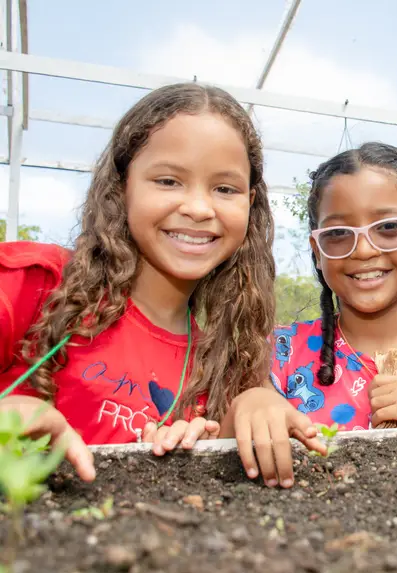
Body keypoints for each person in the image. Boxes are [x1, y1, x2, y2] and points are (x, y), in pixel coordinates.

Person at [0, 83, 276, 478]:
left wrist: (194, 461)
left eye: (224, 189)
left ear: (248, 203)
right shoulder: (33, 282)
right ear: (121, 186)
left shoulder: (224, 366)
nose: (199, 208)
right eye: (168, 181)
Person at [222, 142, 397, 488]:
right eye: (338, 234)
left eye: (388, 228)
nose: (365, 249)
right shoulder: (275, 357)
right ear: (317, 252)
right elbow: (219, 472)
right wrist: (249, 403)